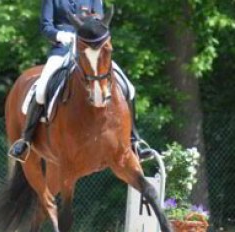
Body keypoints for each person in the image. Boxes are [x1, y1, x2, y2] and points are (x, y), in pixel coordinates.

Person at [9, 0, 154, 160]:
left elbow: (99, 23)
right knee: (41, 90)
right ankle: (26, 141)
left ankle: (134, 140)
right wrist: (60, 35)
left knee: (129, 88)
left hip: (93, 52)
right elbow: (46, 26)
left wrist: (86, 36)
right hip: (62, 49)